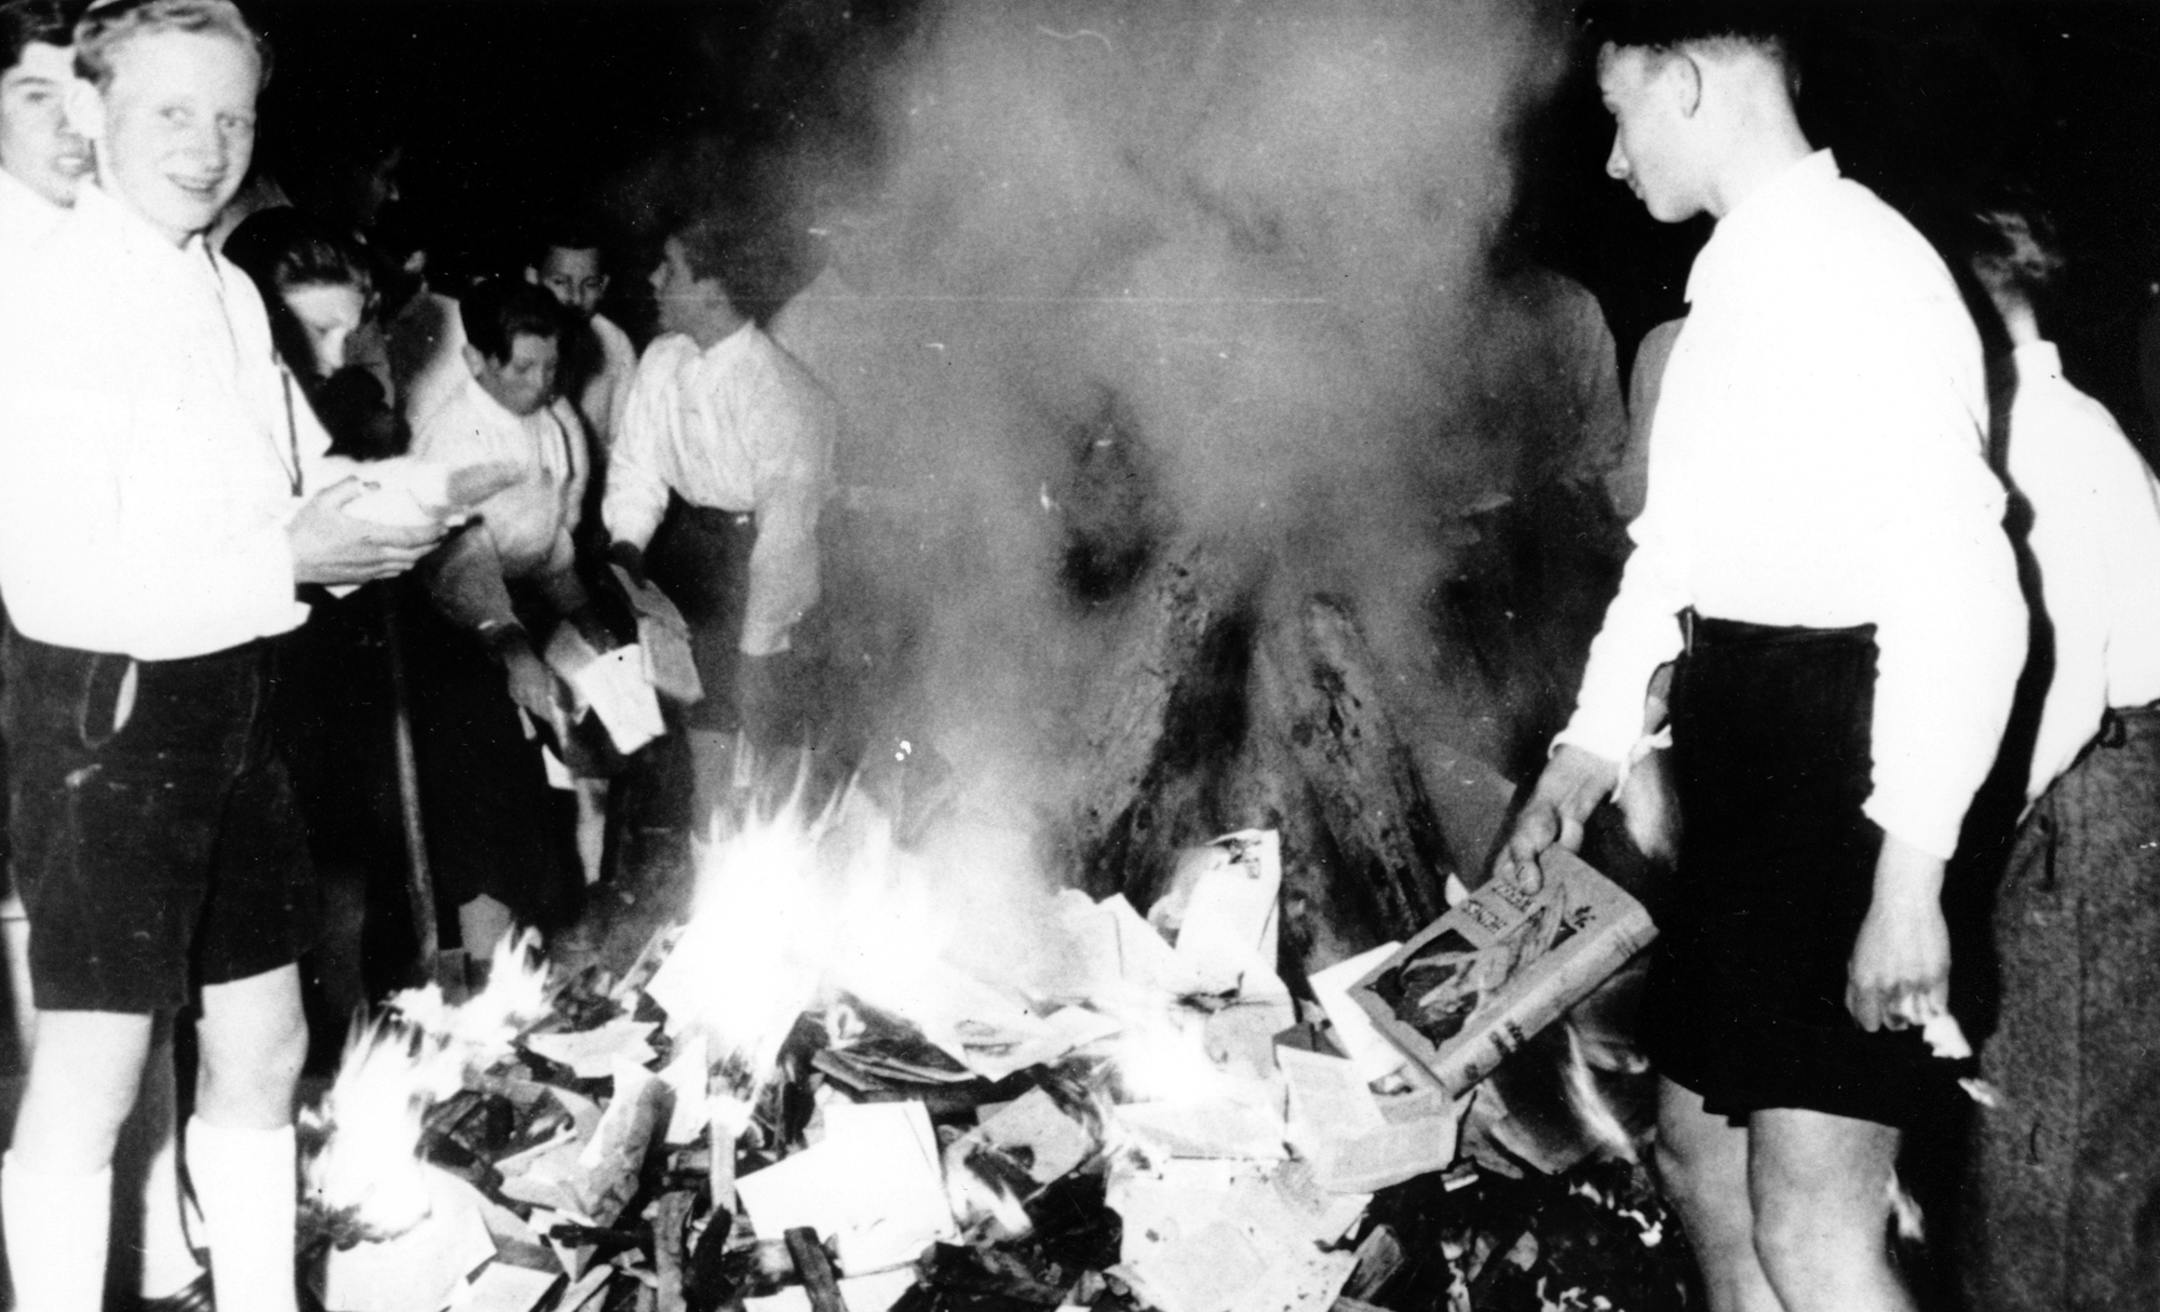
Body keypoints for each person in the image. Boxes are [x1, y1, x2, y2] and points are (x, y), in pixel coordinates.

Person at [1495, 6, 2026, 1312]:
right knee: (1699, 1165)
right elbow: (1671, 558)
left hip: (1848, 777)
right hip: (1746, 768)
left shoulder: (1862, 271)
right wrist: (1584, 752)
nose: (1613, 164)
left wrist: (1910, 870)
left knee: (1815, 1229)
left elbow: (1968, 591)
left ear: (1683, 83)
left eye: (1617, 118)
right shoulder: (1736, 280)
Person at [0, 5, 451, 1310]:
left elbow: (294, 482)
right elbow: (53, 581)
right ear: (92, 116)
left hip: (237, 706)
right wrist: (293, 561)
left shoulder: (224, 285)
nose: (206, 147)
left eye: (232, 116)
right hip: (111, 713)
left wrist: (407, 498)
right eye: (170, 114)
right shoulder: (48, 298)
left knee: (266, 1048)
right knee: (94, 1079)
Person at [1953, 203, 2160, 1312]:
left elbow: (2064, 692)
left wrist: (1953, 854)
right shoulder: (2039, 423)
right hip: (2093, 803)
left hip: (2095, 813)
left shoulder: (2046, 440)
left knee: (2055, 1162)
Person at [604, 214, 835, 817]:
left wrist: (757, 656)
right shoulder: (662, 358)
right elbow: (636, 469)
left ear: (712, 293)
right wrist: (629, 553)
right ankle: (711, 881)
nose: (654, 278)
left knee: (769, 754)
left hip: (764, 573)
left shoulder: (783, 391)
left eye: (670, 269)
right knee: (705, 746)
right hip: (688, 556)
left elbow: (784, 541)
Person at [407, 277, 594, 956]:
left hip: (528, 612)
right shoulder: (449, 436)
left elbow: (554, 542)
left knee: (549, 802)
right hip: (461, 632)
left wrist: (590, 620)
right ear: (476, 361)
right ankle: (487, 980)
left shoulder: (552, 420)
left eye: (551, 367)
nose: (541, 383)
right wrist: (511, 646)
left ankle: (536, 964)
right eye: (523, 368)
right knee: (482, 812)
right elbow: (462, 568)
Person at [526, 220, 639, 460]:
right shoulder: (507, 341)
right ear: (532, 278)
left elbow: (625, 445)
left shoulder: (615, 343)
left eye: (589, 284)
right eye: (560, 282)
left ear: (604, 286)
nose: (575, 298)